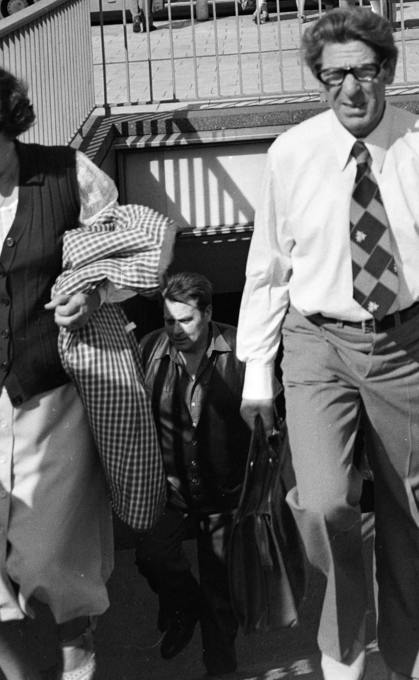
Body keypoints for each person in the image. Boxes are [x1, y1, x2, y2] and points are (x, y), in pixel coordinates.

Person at [235, 5, 419, 680]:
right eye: (333, 77)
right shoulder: (291, 154)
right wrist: (255, 375)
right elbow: (267, 268)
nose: (350, 90)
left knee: (405, 518)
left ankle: (407, 665)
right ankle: (341, 658)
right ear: (318, 82)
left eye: (362, 71)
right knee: (325, 504)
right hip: (315, 345)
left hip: (407, 347)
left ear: (386, 69)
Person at [0, 60, 123, 680]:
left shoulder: (69, 174)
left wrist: (94, 293)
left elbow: (127, 256)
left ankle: (77, 654)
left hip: (49, 397)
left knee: (52, 556)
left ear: (12, 128)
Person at [135, 272, 253, 677]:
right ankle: (184, 608)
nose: (176, 330)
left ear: (208, 312)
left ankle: (220, 670)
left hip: (226, 491)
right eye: (169, 321)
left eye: (186, 320)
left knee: (222, 597)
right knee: (152, 555)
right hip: (171, 490)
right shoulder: (149, 351)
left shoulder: (241, 348)